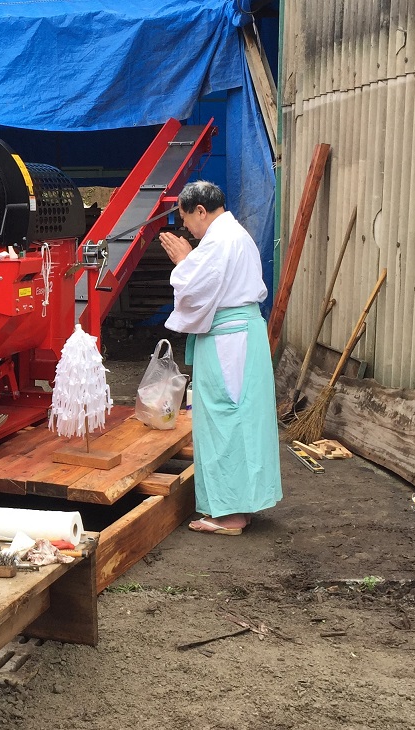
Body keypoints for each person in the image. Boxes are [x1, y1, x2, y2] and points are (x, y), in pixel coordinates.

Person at [158, 181, 281, 536]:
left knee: (224, 419)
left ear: (200, 210)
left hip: (229, 338)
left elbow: (198, 289)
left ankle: (229, 514)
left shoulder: (220, 238)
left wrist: (183, 260)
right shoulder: (231, 235)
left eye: (187, 220)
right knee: (242, 418)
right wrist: (191, 259)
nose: (188, 230)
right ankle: (240, 504)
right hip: (238, 336)